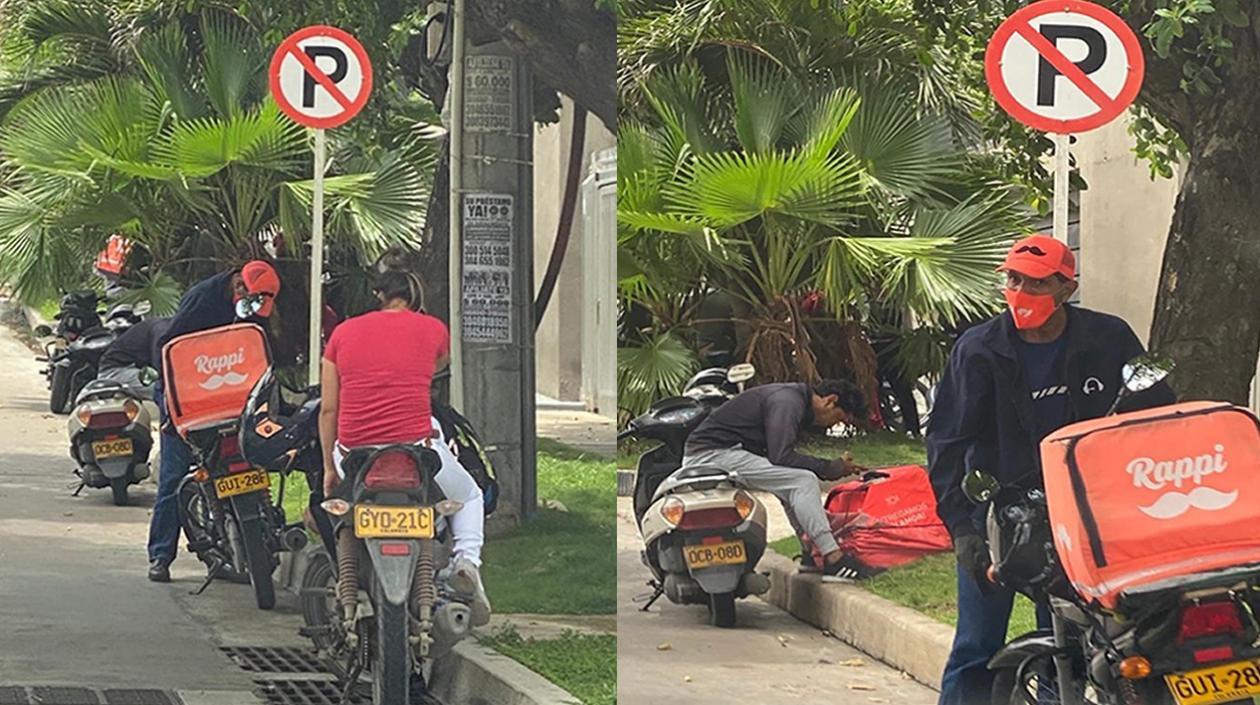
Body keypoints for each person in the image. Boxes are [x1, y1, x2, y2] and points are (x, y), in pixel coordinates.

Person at [927, 235, 1176, 705]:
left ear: (1066, 288)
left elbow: (1151, 419)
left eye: (1037, 284)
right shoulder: (977, 350)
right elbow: (946, 442)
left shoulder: (1108, 338)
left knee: (1072, 644)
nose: (1021, 291)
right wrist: (964, 528)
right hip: (1001, 516)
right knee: (977, 646)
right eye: (1014, 279)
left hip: (1085, 517)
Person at [318, 268, 490, 624]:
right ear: (414, 299)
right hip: (414, 453)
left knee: (339, 511)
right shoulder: (433, 330)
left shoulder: (342, 334)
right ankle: (466, 562)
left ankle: (351, 582)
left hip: (354, 453)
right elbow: (437, 364)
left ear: (378, 296)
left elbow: (329, 409)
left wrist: (329, 468)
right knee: (470, 495)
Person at [147, 260, 282, 583]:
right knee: (174, 478)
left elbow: (261, 355)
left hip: (233, 396)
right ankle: (160, 556)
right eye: (247, 298)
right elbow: (169, 349)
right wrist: (170, 409)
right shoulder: (202, 299)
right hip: (187, 394)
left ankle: (255, 539)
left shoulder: (254, 309)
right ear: (237, 283)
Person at [680, 379, 870, 582]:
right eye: (839, 417)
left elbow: (779, 459)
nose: (834, 424)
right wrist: (831, 468)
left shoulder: (794, 400)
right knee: (803, 481)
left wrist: (834, 467)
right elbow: (782, 456)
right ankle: (834, 558)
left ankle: (811, 554)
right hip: (712, 454)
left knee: (789, 484)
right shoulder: (788, 401)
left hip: (719, 453)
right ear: (830, 401)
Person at [96, 317, 170, 399]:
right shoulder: (162, 329)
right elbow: (160, 366)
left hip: (136, 369)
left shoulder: (163, 327)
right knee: (167, 391)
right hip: (116, 371)